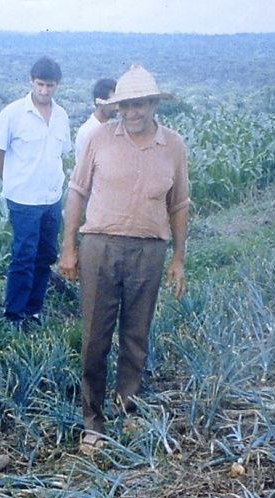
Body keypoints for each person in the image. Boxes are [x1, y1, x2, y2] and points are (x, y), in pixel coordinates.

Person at [58, 65, 189, 454]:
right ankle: (92, 420)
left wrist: (178, 258)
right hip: (100, 246)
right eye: (126, 105)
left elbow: (179, 204)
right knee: (95, 336)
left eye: (141, 104)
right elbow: (77, 193)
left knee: (136, 335)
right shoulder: (98, 138)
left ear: (153, 104)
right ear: (118, 106)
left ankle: (127, 408)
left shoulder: (174, 145)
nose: (133, 112)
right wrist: (69, 247)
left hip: (149, 249)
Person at [0, 56, 72, 330]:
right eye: (40, 84)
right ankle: (14, 314)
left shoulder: (61, 116)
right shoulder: (13, 113)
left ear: (57, 85)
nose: (44, 91)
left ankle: (33, 310)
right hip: (23, 198)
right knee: (23, 255)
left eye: (50, 86)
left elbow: (62, 154)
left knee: (46, 254)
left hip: (51, 197)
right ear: (31, 81)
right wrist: (11, 181)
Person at [74, 78, 117, 161]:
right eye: (113, 103)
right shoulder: (87, 131)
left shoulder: (113, 128)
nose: (117, 107)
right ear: (99, 103)